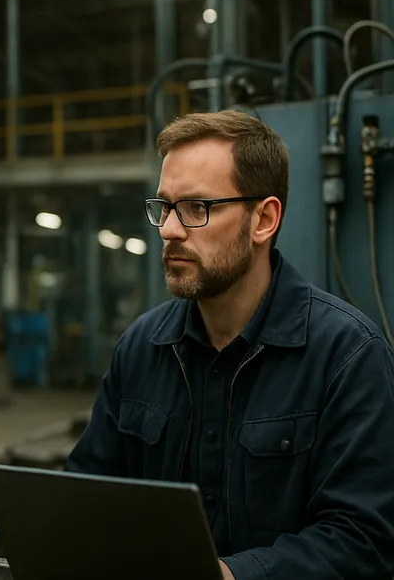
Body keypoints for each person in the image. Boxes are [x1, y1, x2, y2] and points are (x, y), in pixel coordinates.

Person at [65, 110, 394, 580]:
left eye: (196, 208)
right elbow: (84, 497)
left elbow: (362, 542)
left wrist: (226, 575)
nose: (169, 230)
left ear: (264, 219)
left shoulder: (348, 357)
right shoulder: (141, 347)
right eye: (164, 206)